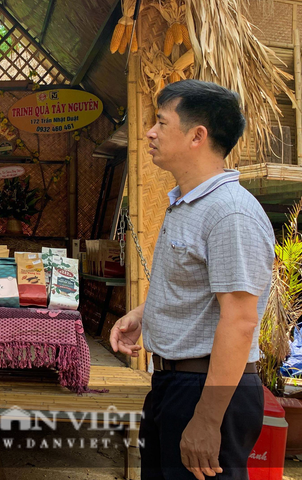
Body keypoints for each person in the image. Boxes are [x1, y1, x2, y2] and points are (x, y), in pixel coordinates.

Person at [110, 80, 273, 480]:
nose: (150, 132)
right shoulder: (186, 204)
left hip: (206, 391)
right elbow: (199, 289)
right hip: (173, 384)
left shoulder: (230, 213)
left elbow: (240, 320)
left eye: (162, 123)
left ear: (197, 136)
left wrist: (207, 419)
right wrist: (143, 314)